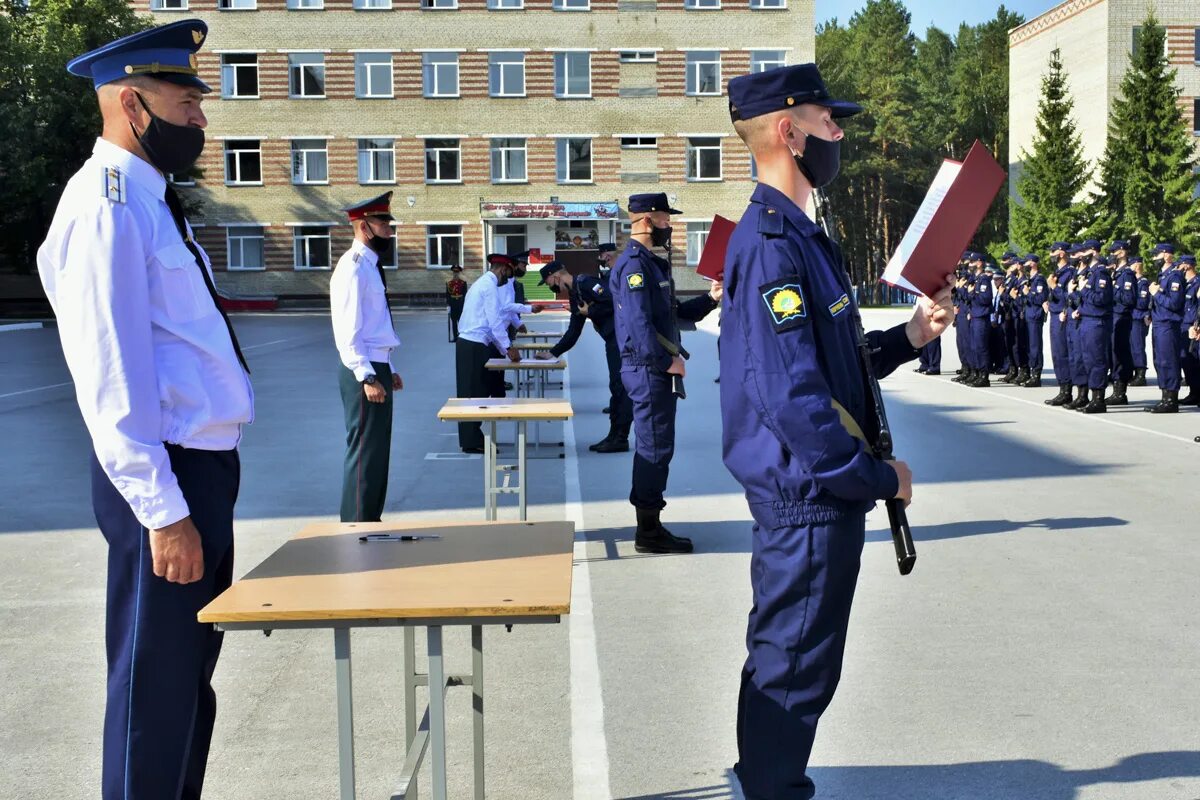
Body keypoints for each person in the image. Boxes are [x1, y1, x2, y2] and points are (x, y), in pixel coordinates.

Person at [721, 63, 953, 800]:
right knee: (793, 669)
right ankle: (772, 789)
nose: (840, 133)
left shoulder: (800, 237)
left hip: (814, 495)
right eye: (829, 121)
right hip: (810, 497)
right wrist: (878, 477)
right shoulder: (772, 243)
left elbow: (832, 367)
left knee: (787, 663)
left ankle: (763, 781)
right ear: (789, 133)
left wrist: (912, 335)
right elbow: (792, 398)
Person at [37, 20, 253, 798]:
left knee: (188, 680)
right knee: (152, 688)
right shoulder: (105, 207)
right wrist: (163, 512)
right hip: (162, 481)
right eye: (184, 99)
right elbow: (109, 375)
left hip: (201, 470)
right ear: (132, 103)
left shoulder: (150, 201)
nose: (199, 115)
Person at [609, 192, 721, 554]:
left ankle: (649, 524)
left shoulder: (651, 264)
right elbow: (637, 322)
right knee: (655, 448)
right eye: (663, 219)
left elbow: (670, 315)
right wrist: (663, 361)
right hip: (646, 370)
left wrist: (711, 298)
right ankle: (648, 531)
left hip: (650, 368)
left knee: (656, 446)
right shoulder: (635, 267)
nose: (669, 225)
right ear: (645, 220)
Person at [330, 191, 403, 521]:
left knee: (377, 452)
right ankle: (355, 525)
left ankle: (369, 519)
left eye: (389, 223)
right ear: (363, 226)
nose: (390, 230)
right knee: (363, 452)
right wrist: (367, 375)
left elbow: (375, 323)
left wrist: (389, 367)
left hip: (378, 365)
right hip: (363, 371)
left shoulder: (371, 267)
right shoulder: (353, 268)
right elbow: (348, 331)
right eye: (383, 224)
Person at [535, 260, 633, 452]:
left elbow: (617, 300)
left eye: (550, 283)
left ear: (556, 276)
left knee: (621, 387)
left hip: (623, 338)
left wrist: (592, 311)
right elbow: (574, 330)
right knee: (616, 386)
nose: (552, 288)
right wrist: (553, 352)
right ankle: (614, 435)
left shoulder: (587, 283)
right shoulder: (576, 293)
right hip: (612, 340)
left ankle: (620, 438)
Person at [456, 254, 521, 451]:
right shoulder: (489, 287)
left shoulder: (481, 283)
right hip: (473, 346)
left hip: (473, 344)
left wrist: (504, 348)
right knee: (472, 393)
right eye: (508, 274)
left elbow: (490, 327)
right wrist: (509, 348)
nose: (507, 279)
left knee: (476, 391)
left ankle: (471, 438)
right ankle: (471, 441)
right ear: (503, 269)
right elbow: (494, 322)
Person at [1147, 243, 1185, 413]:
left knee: (1168, 361)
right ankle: (1165, 397)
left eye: (1157, 255)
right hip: (1159, 323)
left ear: (1167, 255)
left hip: (1168, 324)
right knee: (1160, 361)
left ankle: (1171, 399)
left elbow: (1174, 304)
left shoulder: (1174, 277)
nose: (1154, 258)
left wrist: (1156, 294)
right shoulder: (1163, 276)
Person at [1076, 243, 1113, 413]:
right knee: (1088, 360)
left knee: (1097, 360)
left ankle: (1099, 399)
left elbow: (1101, 299)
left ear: (1094, 252)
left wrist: (1084, 291)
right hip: (1087, 321)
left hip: (1097, 323)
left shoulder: (1101, 273)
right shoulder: (1091, 273)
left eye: (1085, 251)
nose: (1081, 254)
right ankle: (1092, 396)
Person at [1044, 242, 1076, 405]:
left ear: (1062, 253)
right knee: (1057, 353)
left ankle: (1067, 390)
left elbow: (1068, 296)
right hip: (1054, 315)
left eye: (1053, 251)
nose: (1051, 255)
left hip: (1063, 317)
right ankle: (1062, 388)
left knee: (1063, 353)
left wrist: (1054, 287)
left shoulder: (1070, 272)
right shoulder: (1057, 272)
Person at [1107, 242, 1137, 406]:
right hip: (1113, 316)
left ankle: (1120, 392)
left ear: (1123, 252)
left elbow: (1129, 299)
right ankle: (1116, 389)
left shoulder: (1127, 274)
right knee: (1113, 352)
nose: (1112, 254)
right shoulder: (1116, 273)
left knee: (1120, 352)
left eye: (1114, 251)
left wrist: (1113, 290)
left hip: (1122, 317)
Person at [1021, 254, 1048, 388]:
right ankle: (1031, 372)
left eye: (1026, 263)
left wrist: (1028, 293)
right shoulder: (1029, 280)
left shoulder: (1039, 280)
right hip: (1028, 315)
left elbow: (1040, 298)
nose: (1024, 265)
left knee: (1035, 346)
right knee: (1029, 345)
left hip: (1035, 316)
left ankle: (1036, 374)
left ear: (1033, 263)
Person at [1178, 255, 1200, 407]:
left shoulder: (1198, 283)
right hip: (1183, 325)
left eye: (1181, 265)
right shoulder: (1184, 283)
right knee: (1186, 360)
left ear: (1188, 266)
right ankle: (1194, 393)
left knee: (1196, 361)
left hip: (1193, 326)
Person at [1130, 257, 1151, 386]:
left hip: (1138, 317)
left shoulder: (1142, 282)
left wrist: (1128, 300)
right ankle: (1134, 372)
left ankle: (1140, 374)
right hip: (1132, 316)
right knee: (1132, 346)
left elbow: (1143, 302)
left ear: (1137, 266)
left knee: (1137, 346)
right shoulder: (1134, 281)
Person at [446, 264, 467, 343]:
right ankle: (455, 337)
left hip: (460, 304)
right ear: (452, 273)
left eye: (457, 272)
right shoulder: (449, 284)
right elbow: (447, 295)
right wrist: (448, 305)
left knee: (461, 322)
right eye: (454, 272)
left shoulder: (463, 283)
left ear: (459, 273)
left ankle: (461, 337)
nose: (455, 274)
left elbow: (465, 294)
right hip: (453, 304)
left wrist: (465, 305)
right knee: (454, 322)